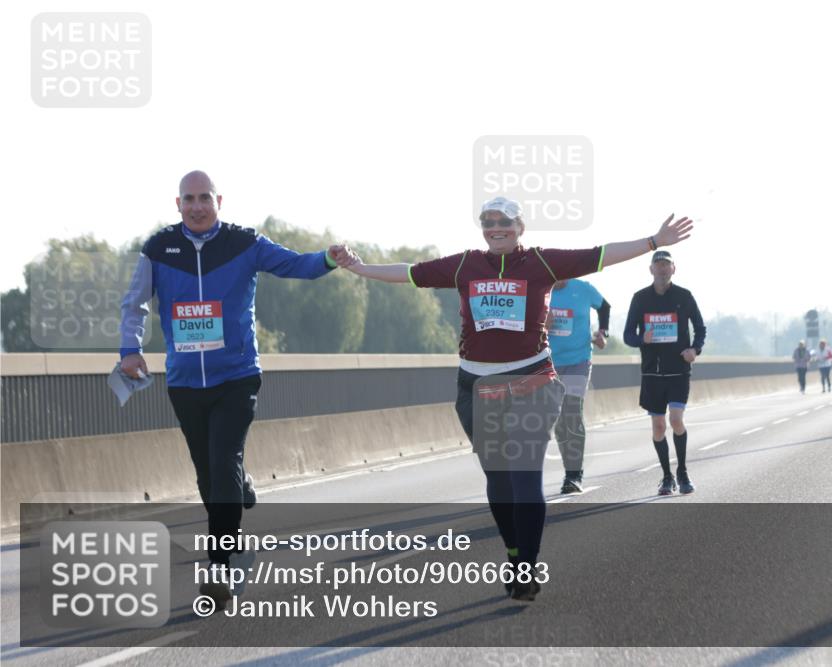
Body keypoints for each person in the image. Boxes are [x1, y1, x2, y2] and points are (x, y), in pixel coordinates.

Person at [332, 197, 693, 601]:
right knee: (499, 481)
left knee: (524, 476)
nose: (495, 228)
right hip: (477, 387)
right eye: (487, 222)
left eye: (504, 221)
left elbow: (600, 255)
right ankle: (515, 552)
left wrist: (653, 241)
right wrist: (359, 267)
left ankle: (526, 567)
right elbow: (410, 273)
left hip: (531, 381)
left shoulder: (542, 262)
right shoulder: (465, 265)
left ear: (520, 226)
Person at [119, 171, 340, 609]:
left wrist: (329, 259)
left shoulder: (244, 243)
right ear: (177, 204)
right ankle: (237, 505)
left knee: (223, 463)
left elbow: (295, 265)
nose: (197, 206)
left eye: (205, 198)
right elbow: (135, 303)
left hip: (236, 377)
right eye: (189, 199)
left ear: (219, 201)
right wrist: (130, 349)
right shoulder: (159, 248)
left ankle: (219, 565)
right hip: (185, 381)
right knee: (209, 475)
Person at [623, 251, 706, 497]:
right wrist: (642, 339)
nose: (662, 269)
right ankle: (667, 476)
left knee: (676, 420)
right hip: (652, 373)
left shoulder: (684, 296)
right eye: (658, 265)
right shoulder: (640, 298)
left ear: (673, 269)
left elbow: (700, 328)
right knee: (659, 427)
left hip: (679, 370)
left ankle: (682, 472)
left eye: (666, 265)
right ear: (651, 269)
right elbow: (628, 335)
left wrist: (695, 349)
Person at [546, 278, 611, 494]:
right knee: (559, 420)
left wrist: (603, 333)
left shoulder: (583, 288)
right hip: (548, 362)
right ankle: (570, 469)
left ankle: (574, 475)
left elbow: (604, 307)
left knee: (572, 412)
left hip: (578, 360)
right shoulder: (540, 288)